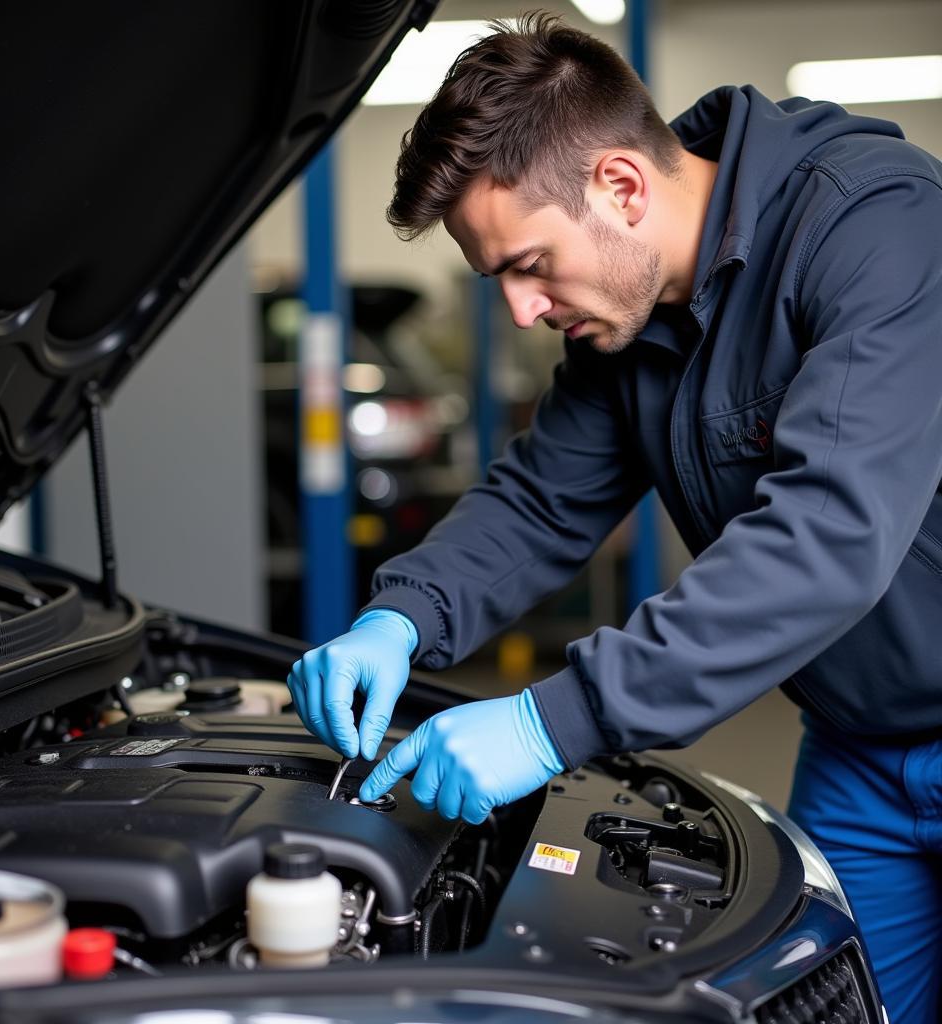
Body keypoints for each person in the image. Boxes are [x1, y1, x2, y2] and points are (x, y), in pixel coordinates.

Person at [286, 14, 942, 1021]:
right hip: (859, 746)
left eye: (528, 265)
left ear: (622, 187)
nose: (519, 311)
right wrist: (401, 615)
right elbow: (541, 499)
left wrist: (553, 721)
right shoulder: (625, 326)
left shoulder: (877, 230)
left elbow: (828, 537)